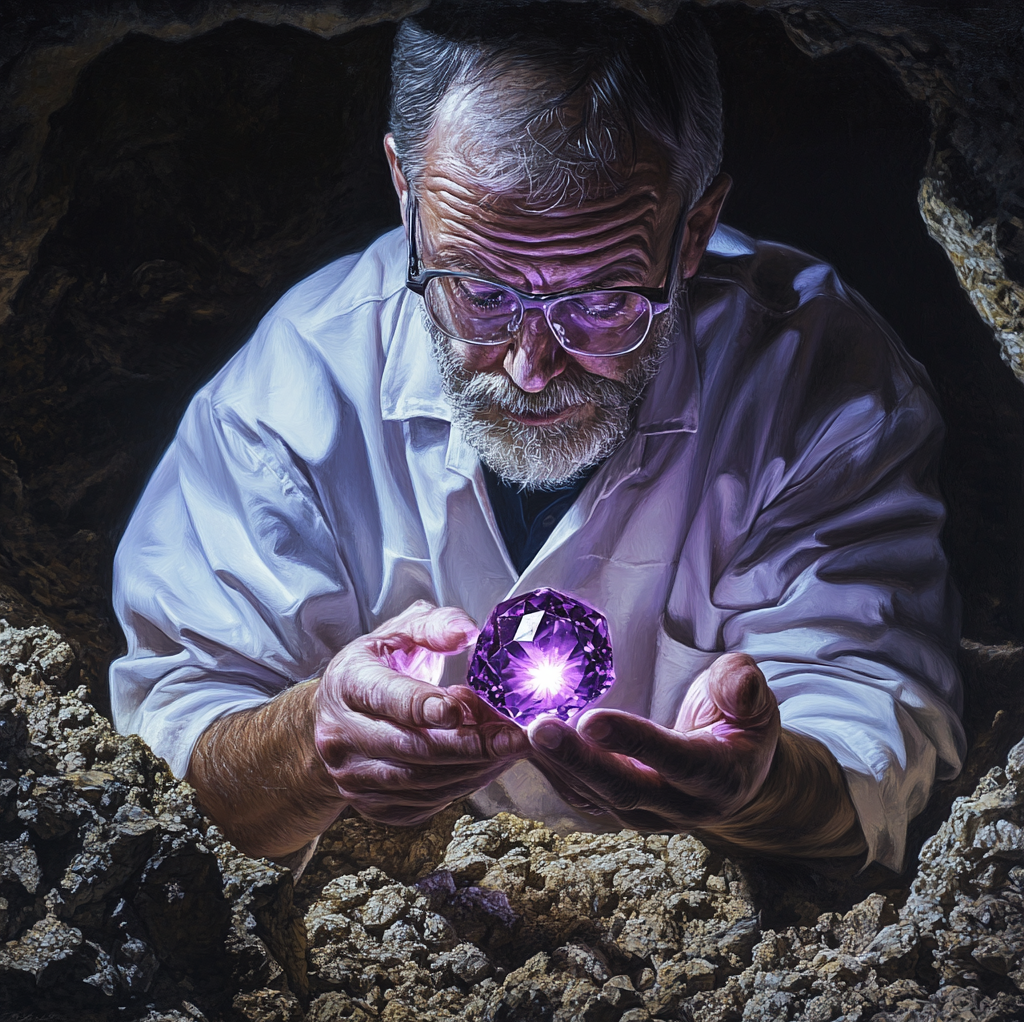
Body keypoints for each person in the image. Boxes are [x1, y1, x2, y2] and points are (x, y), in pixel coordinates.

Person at [109, 2, 965, 875]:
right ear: (407, 195)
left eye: (600, 303)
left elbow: (875, 765)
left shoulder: (822, 385)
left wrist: (763, 789)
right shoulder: (291, 398)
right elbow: (160, 762)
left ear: (694, 231)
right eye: (481, 291)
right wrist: (309, 739)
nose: (530, 366)